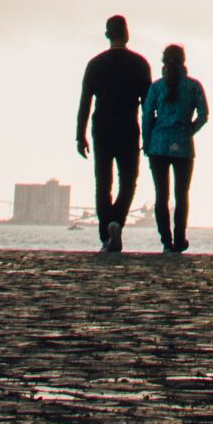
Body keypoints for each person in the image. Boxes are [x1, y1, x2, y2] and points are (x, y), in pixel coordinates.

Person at [76, 14, 152, 255]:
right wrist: (148, 134)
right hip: (129, 127)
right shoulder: (140, 64)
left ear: (108, 34)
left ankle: (106, 233)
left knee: (103, 182)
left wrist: (80, 135)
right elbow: (148, 106)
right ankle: (116, 222)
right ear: (127, 34)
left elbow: (85, 103)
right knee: (128, 181)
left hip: (102, 128)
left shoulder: (95, 64)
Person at [141, 42, 208, 255]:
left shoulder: (157, 87)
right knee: (181, 195)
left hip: (158, 145)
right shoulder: (194, 86)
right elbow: (204, 114)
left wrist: (147, 140)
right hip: (183, 146)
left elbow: (146, 115)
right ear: (184, 61)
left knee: (161, 195)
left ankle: (166, 241)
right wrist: (190, 130)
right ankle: (180, 239)